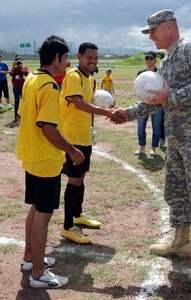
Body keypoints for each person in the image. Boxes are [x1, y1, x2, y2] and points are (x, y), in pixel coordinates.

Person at [114, 9, 191, 284]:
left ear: (167, 27)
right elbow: (156, 99)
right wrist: (126, 113)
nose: (151, 37)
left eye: (152, 31)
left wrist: (172, 95)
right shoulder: (166, 62)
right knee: (175, 190)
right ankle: (181, 240)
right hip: (177, 137)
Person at [17, 35, 85, 288]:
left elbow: (24, 114)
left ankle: (29, 258)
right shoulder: (48, 86)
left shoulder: (32, 79)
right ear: (56, 58)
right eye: (66, 58)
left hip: (33, 156)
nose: (67, 63)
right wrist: (72, 150)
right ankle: (37, 273)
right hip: (46, 159)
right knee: (43, 215)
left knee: (35, 209)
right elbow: (47, 127)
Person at [60, 42, 125, 244]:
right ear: (79, 56)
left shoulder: (91, 79)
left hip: (84, 136)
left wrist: (108, 106)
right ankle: (68, 227)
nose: (93, 62)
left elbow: (91, 103)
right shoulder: (73, 76)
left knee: (80, 178)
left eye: (96, 58)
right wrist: (108, 113)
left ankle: (77, 215)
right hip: (72, 138)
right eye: (89, 58)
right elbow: (78, 104)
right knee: (74, 179)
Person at [135, 50, 164, 156]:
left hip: (157, 105)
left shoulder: (160, 72)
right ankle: (142, 148)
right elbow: (137, 88)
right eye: (147, 58)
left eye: (151, 58)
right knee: (140, 127)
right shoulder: (140, 73)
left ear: (155, 60)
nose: (149, 60)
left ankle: (153, 149)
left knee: (156, 128)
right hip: (144, 104)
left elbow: (164, 87)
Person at [9, 56, 29, 123]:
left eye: (20, 60)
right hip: (16, 87)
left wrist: (22, 67)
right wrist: (13, 66)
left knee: (23, 101)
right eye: (17, 61)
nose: (19, 62)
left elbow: (26, 74)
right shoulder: (14, 68)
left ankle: (24, 116)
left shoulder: (24, 67)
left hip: (23, 87)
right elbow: (11, 74)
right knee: (17, 101)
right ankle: (16, 117)